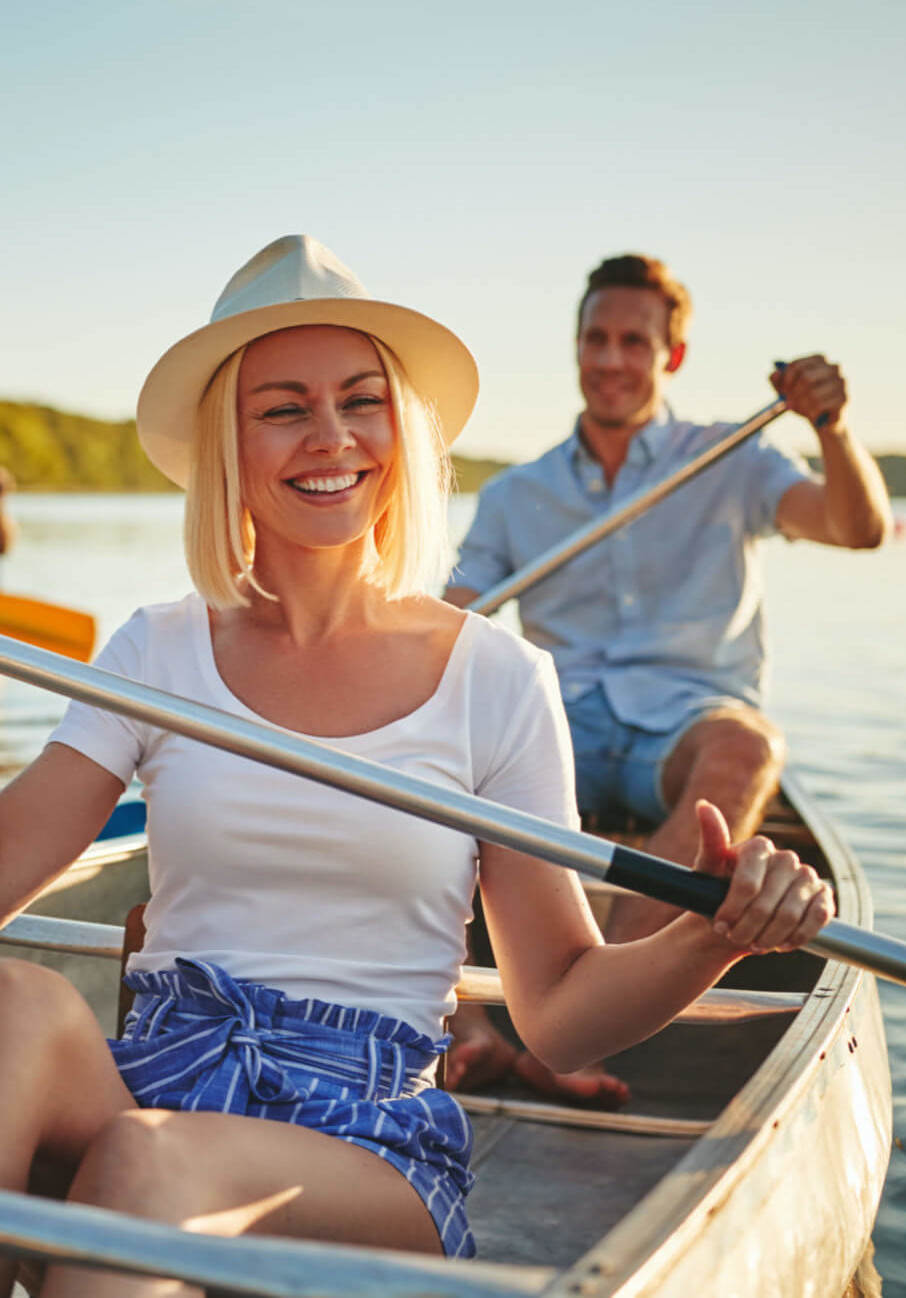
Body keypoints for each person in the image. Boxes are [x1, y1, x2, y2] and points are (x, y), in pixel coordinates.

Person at [0, 236, 833, 1298]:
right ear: (228, 442)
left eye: (361, 399)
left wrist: (710, 935)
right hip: (162, 1066)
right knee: (16, 1004)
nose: (333, 437)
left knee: (146, 1161)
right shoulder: (154, 651)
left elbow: (562, 1008)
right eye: (284, 407)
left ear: (403, 422)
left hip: (364, 1132)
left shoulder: (497, 677)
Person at [444, 252, 890, 1094]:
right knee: (440, 739)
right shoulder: (518, 494)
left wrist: (830, 428)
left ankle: (581, 1018)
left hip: (686, 727)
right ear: (577, 348)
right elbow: (455, 617)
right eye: (596, 339)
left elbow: (857, 528)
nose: (611, 359)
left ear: (670, 357)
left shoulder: (734, 458)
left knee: (749, 750)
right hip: (562, 725)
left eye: (634, 342)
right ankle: (463, 1020)